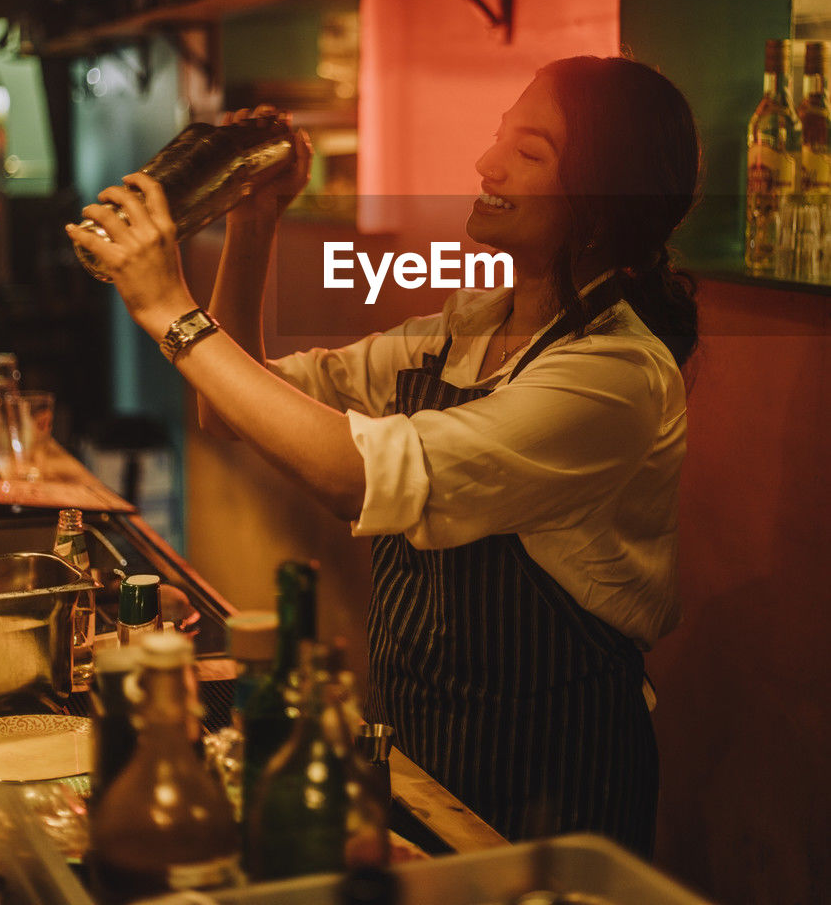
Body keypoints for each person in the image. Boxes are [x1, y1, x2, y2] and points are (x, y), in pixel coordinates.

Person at [66, 53, 701, 856]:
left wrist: (168, 309)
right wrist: (251, 222)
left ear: (604, 207)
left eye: (530, 152)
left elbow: (354, 475)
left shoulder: (614, 376)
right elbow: (235, 404)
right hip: (419, 738)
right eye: (500, 136)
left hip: (553, 766)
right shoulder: (460, 331)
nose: (486, 162)